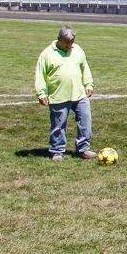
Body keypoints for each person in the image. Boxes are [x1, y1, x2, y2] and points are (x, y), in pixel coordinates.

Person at [34, 25, 96, 161]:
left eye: (71, 42)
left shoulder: (78, 50)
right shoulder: (47, 54)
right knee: (58, 125)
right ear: (59, 39)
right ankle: (57, 151)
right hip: (59, 95)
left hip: (79, 94)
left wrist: (89, 84)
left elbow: (85, 67)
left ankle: (83, 149)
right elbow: (40, 74)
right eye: (66, 42)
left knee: (85, 121)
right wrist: (41, 93)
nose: (69, 45)